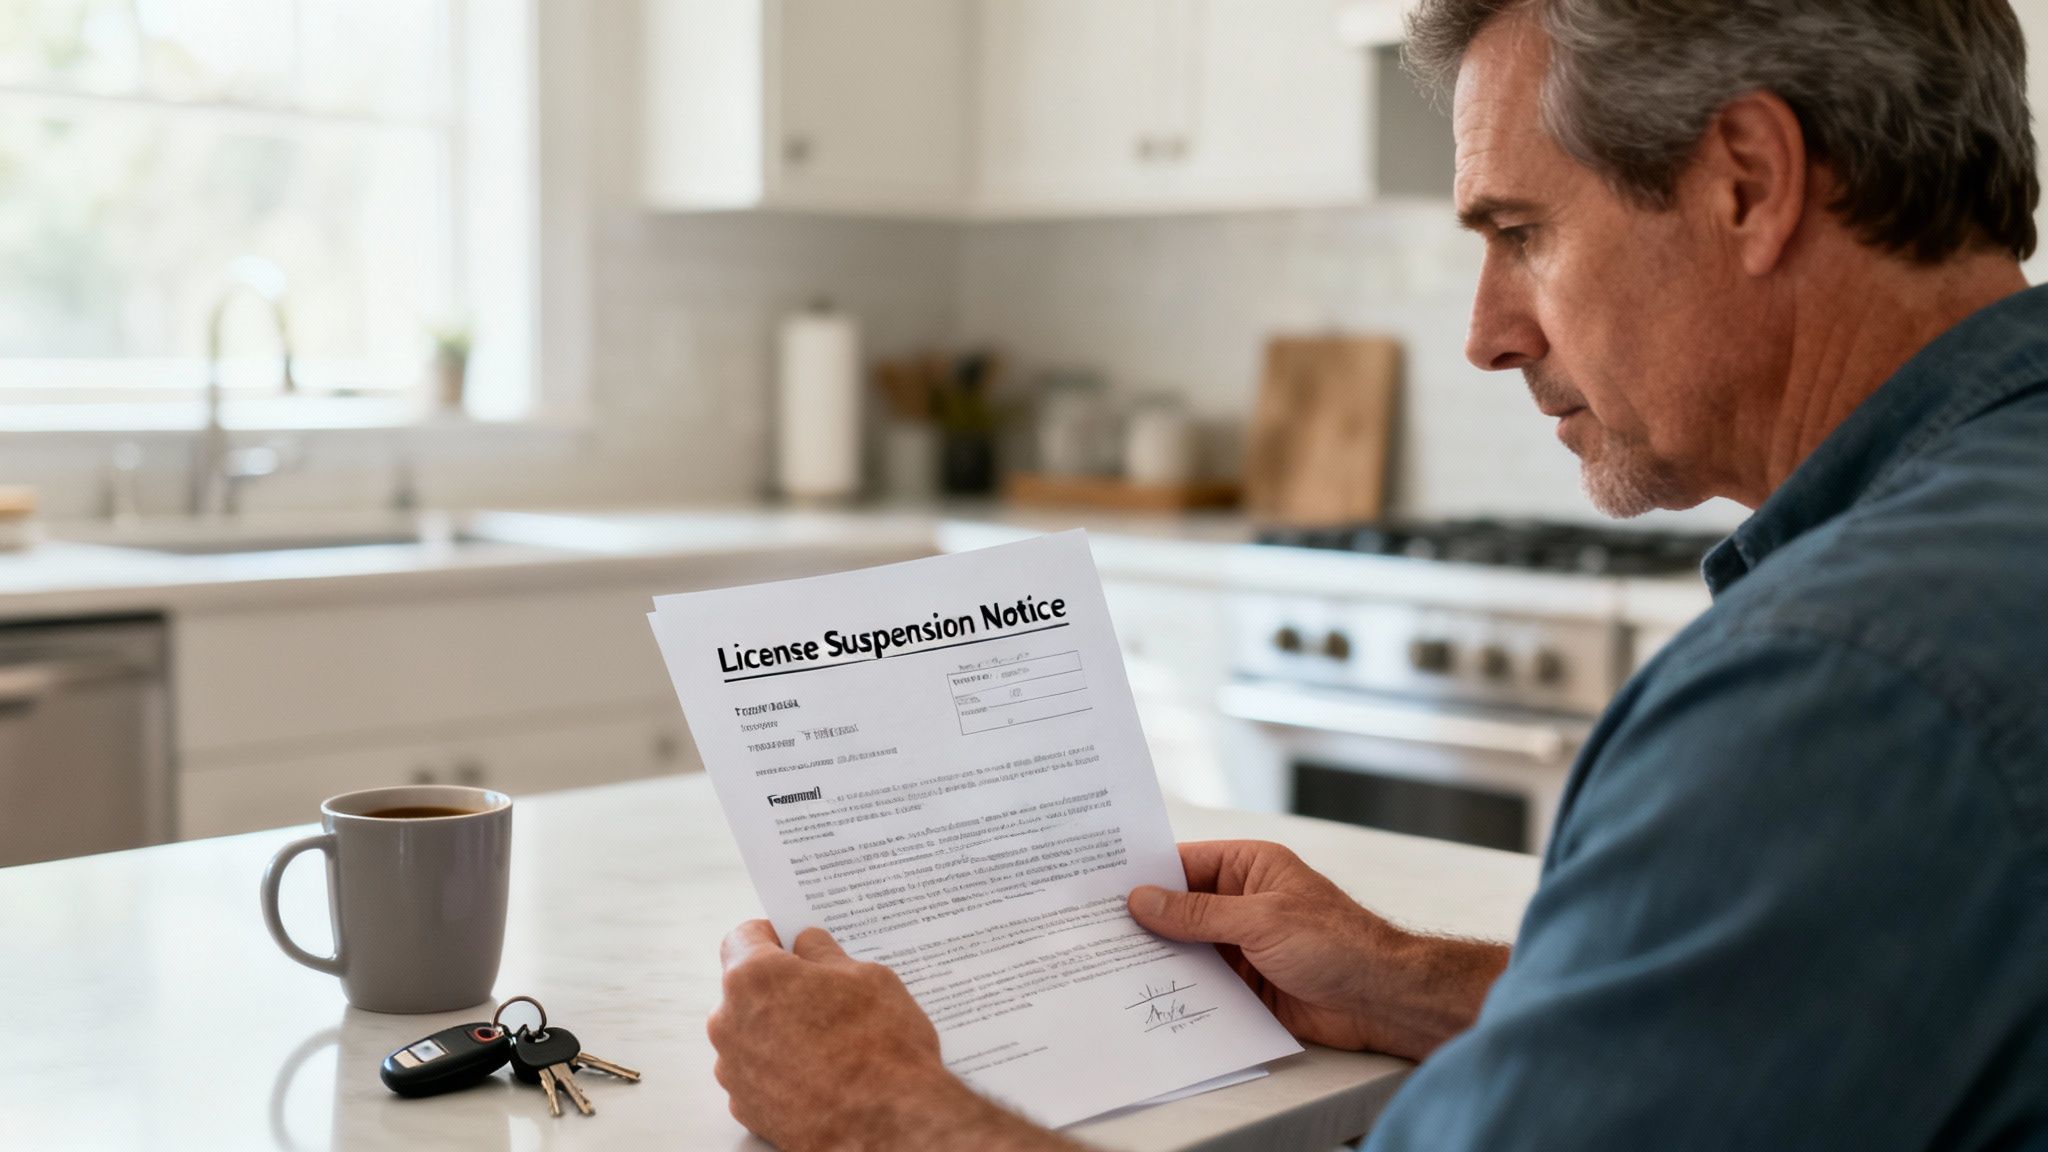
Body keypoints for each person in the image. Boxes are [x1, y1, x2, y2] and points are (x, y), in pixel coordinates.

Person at [707, 1, 2048, 1147]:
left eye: (1520, 231)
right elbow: (1813, 1015)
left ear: (1749, 180)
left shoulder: (1837, 689)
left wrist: (887, 1110)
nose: (1484, 332)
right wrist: (1413, 981)